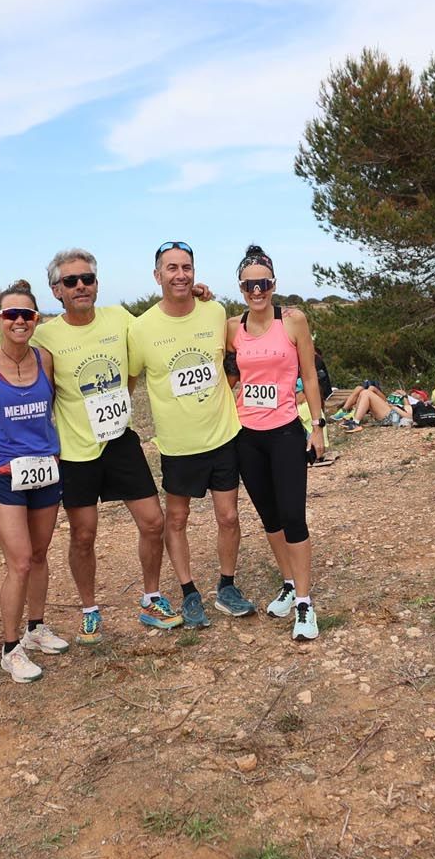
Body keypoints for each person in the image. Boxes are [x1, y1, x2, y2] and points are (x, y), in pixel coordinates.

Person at [32, 249, 185, 640]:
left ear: (97, 284)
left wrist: (191, 295)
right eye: (71, 281)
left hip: (120, 441)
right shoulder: (45, 336)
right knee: (83, 535)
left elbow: (156, 332)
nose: (81, 286)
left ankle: (151, 598)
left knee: (154, 522)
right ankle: (89, 609)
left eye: (88, 279)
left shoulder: (120, 318)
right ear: (56, 290)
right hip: (76, 452)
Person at [128, 241, 252, 625]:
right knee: (176, 520)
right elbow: (129, 382)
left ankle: (227, 587)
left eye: (186, 267)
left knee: (229, 517)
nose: (180, 274)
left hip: (222, 434)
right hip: (178, 444)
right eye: (171, 268)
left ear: (195, 273)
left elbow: (235, 356)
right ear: (157, 275)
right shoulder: (142, 327)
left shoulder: (215, 311)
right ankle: (189, 592)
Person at [227, 246, 326, 640]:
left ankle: (305, 603)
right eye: (250, 284)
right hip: (247, 436)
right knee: (269, 517)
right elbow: (225, 371)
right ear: (241, 287)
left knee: (293, 516)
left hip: (286, 431)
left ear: (273, 284)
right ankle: (288, 584)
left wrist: (317, 425)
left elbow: (311, 376)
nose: (257, 290)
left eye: (263, 283)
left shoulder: (294, 321)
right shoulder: (231, 326)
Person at [0, 281, 66, 681]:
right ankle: (10, 649)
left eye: (27, 314)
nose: (20, 321)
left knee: (40, 555)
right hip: (1, 474)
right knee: (21, 561)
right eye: (12, 314)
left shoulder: (45, 359)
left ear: (36, 319)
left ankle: (35, 628)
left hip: (44, 469)